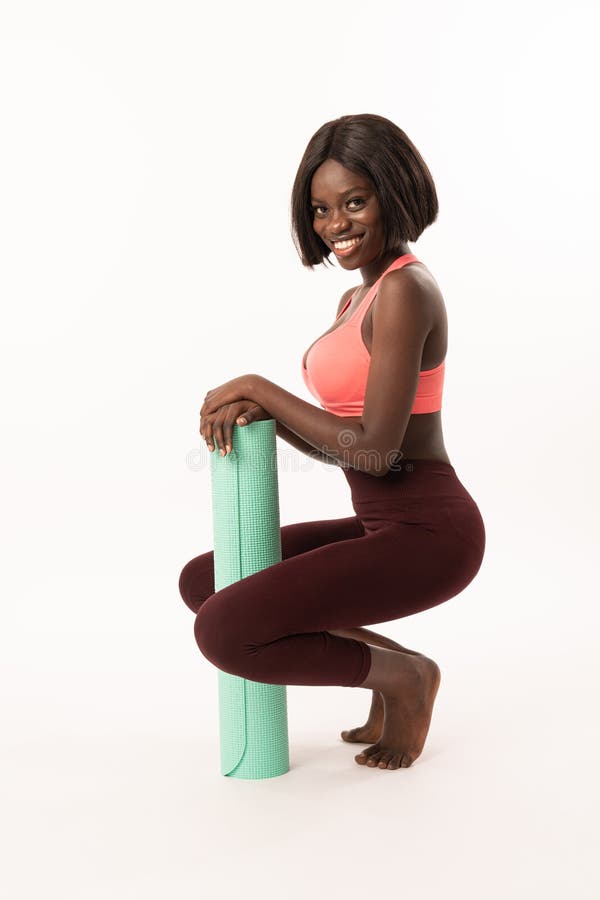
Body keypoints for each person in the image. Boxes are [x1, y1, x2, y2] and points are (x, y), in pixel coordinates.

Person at [179, 113, 486, 771]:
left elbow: (376, 450)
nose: (335, 223)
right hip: (383, 524)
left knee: (226, 629)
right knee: (207, 581)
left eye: (354, 202)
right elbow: (347, 444)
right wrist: (261, 412)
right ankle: (399, 671)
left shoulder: (406, 289)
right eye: (321, 208)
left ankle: (401, 681)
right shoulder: (355, 299)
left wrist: (262, 386)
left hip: (431, 534)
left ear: (393, 192)